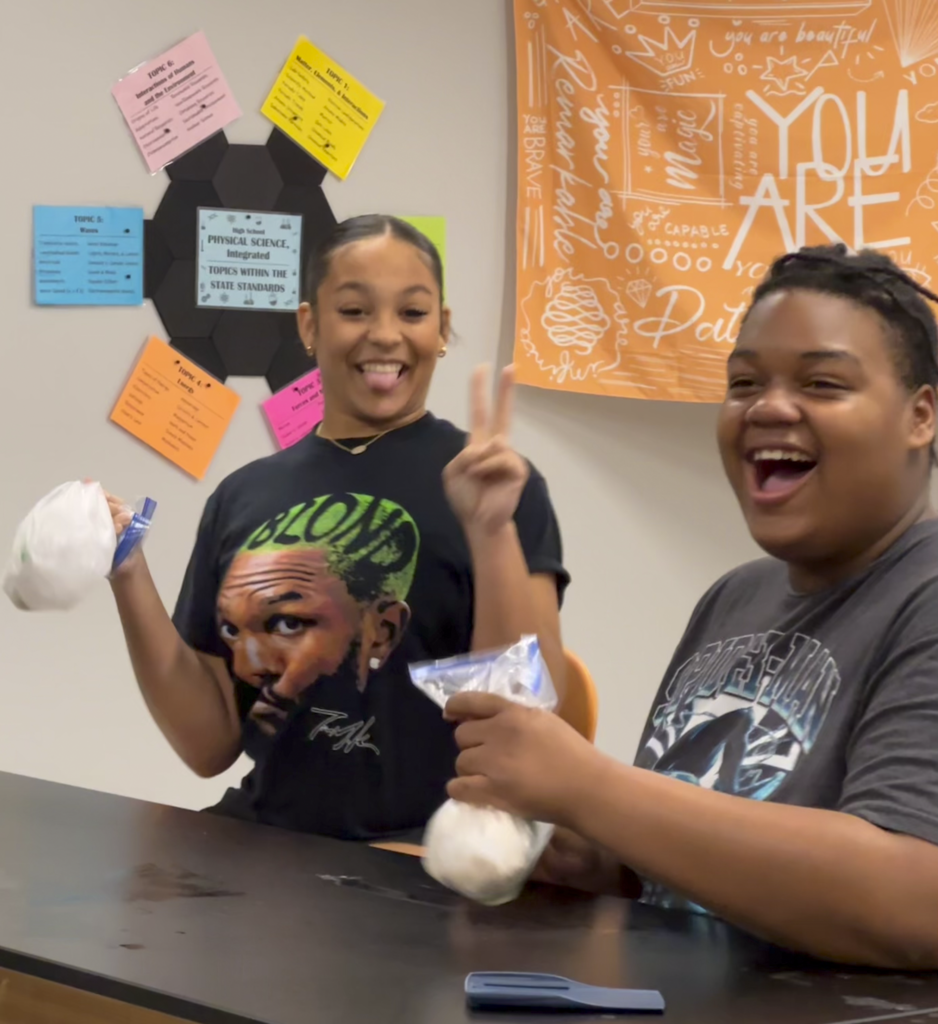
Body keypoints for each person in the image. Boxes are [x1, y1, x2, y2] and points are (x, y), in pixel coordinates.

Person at [444, 245, 938, 969]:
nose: (767, 405)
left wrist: (592, 788)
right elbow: (683, 873)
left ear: (920, 416)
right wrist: (595, 854)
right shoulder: (734, 599)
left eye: (823, 383)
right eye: (743, 383)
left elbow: (915, 898)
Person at [107, 214, 568, 840]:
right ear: (309, 325)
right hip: (265, 846)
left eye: (412, 313)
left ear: (442, 331)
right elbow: (208, 743)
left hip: (426, 860)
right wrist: (127, 570)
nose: (384, 336)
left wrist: (491, 529)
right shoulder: (243, 495)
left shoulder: (493, 483)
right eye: (354, 310)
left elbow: (531, 712)